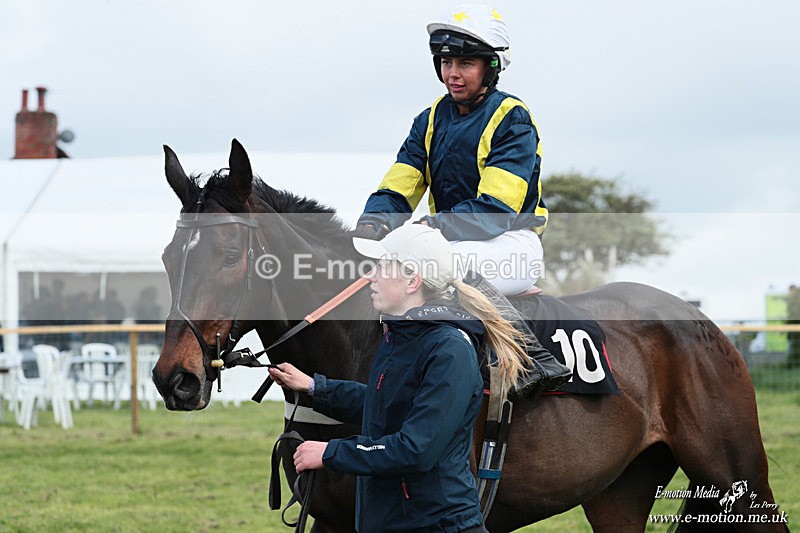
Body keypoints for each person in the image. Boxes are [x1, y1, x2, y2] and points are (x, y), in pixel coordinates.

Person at [354, 3, 570, 394]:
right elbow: (401, 181)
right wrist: (373, 223)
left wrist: (429, 227)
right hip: (447, 239)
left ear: (491, 66)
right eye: (446, 61)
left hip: (510, 242)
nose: (452, 74)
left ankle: (534, 358)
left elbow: (496, 210)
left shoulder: (512, 118)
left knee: (438, 269)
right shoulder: (429, 119)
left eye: (465, 63)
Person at [268, 224, 532, 532]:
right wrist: (315, 387)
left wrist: (331, 452)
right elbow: (384, 405)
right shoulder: (399, 336)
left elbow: (416, 450)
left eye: (382, 267)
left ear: (412, 280)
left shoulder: (449, 350)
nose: (372, 276)